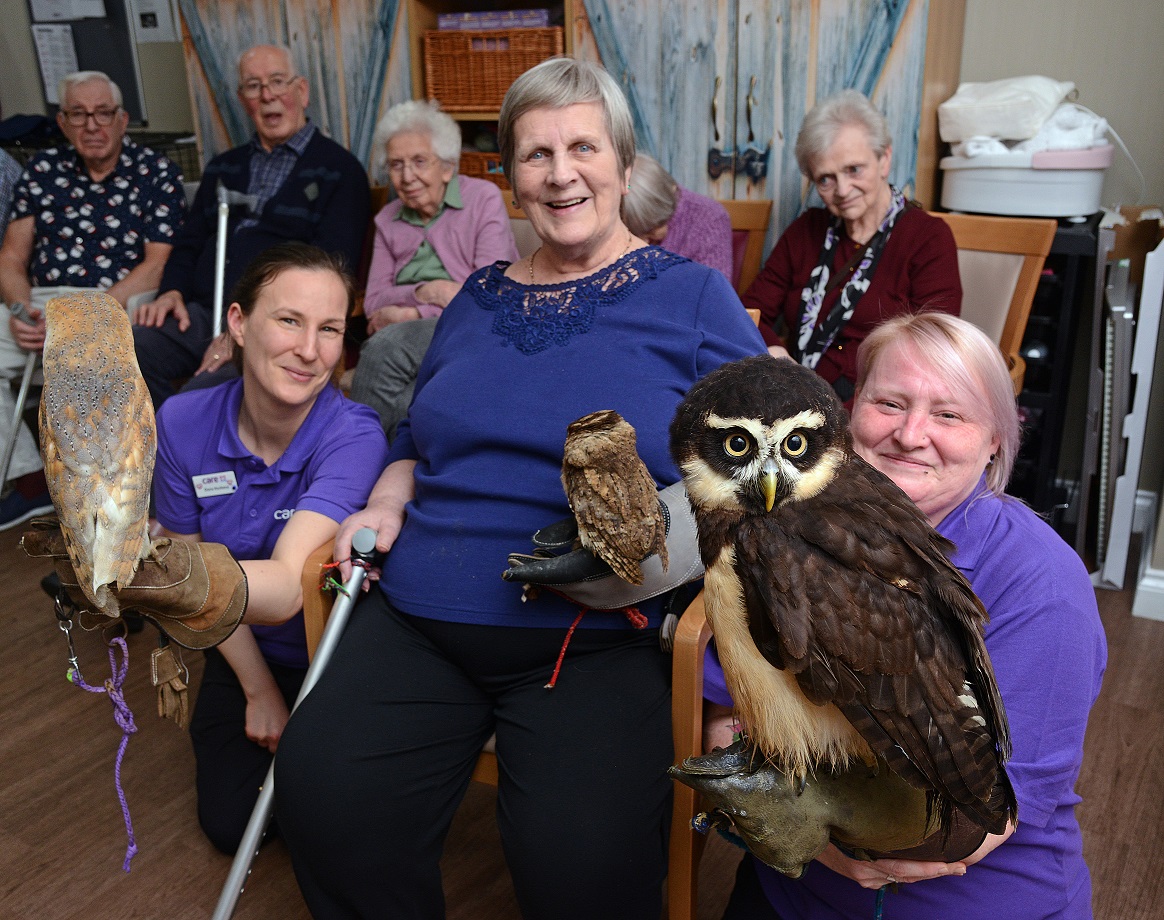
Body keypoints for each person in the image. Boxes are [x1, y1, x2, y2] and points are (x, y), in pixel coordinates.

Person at [274, 57, 767, 920]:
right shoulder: (475, 298)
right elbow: (414, 437)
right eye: (535, 154)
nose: (561, 172)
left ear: (622, 161)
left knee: (581, 865)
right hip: (420, 617)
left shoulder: (691, 298)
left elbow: (764, 461)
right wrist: (389, 498)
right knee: (324, 793)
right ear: (508, 179)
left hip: (595, 632)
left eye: (583, 146)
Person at [704, 312, 1107, 920]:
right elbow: (725, 721)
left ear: (996, 437)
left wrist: (799, 820)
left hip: (970, 903)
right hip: (793, 891)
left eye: (950, 415)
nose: (911, 434)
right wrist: (801, 833)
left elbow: (982, 816)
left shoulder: (1042, 582)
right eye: (889, 403)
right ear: (846, 415)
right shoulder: (776, 532)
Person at [152, 243, 388, 854]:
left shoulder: (352, 435)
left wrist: (146, 575)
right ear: (237, 323)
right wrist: (258, 692)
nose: (309, 351)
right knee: (233, 825)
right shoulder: (180, 422)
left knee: (336, 822)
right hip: (239, 648)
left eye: (329, 330)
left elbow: (284, 585)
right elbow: (194, 573)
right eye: (289, 320)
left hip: (330, 656)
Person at [133, 43, 370, 407]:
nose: (268, 96)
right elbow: (190, 241)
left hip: (271, 327)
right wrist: (172, 291)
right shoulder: (223, 167)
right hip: (201, 312)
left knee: (197, 400)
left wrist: (246, 327)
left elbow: (330, 272)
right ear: (243, 99)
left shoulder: (340, 171)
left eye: (277, 82)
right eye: (254, 86)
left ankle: (179, 443)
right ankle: (164, 448)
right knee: (121, 355)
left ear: (301, 92)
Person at [0, 70, 185, 529]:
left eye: (103, 113)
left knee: (92, 359)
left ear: (122, 120)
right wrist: (22, 309)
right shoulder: (42, 172)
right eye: (78, 114)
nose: (92, 125)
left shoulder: (154, 171)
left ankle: (105, 501)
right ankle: (28, 484)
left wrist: (85, 315)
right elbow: (10, 257)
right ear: (62, 122)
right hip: (41, 302)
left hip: (115, 299)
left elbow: (157, 263)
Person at [743, 89, 961, 405]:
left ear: (884, 159)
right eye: (826, 179)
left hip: (878, 404)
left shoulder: (927, 238)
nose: (843, 190)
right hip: (793, 394)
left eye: (853, 170)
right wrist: (777, 356)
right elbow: (751, 312)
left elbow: (933, 347)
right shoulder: (806, 230)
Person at [350, 100, 518, 440]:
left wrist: (408, 314)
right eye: (396, 165)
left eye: (419, 162)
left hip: (471, 326)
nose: (406, 176)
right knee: (404, 381)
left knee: (386, 347)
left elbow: (486, 295)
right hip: (411, 327)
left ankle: (359, 458)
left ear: (447, 166)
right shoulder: (388, 219)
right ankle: (389, 466)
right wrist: (427, 294)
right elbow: (374, 301)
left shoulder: (482, 199)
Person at [623, 153, 733, 281]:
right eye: (634, 232)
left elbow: (715, 295)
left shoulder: (710, 219)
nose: (645, 242)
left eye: (650, 229)